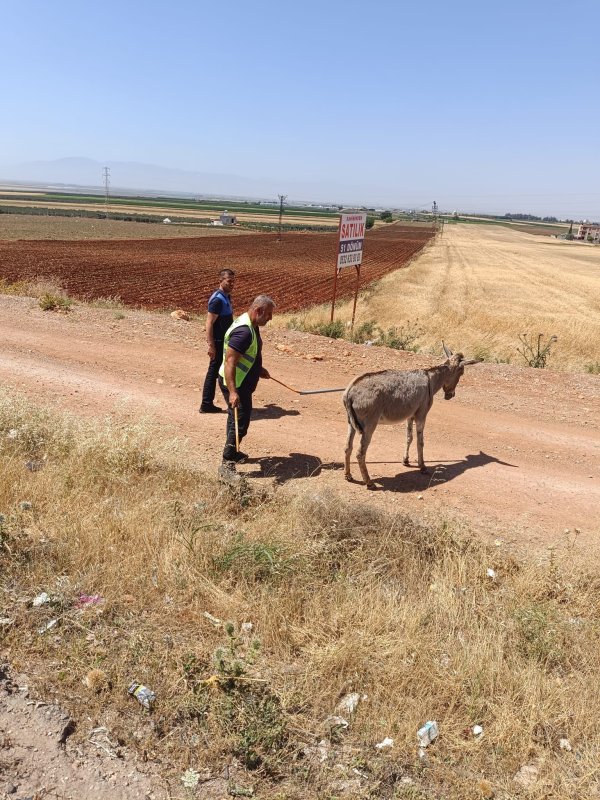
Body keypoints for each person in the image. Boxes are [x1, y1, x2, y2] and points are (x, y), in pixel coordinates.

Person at [218, 295, 275, 464]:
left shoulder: (251, 323)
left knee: (236, 419)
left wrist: (258, 369)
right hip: (237, 384)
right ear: (258, 311)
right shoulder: (244, 332)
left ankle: (232, 451)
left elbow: (247, 354)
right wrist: (233, 392)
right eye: (269, 314)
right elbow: (230, 362)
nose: (270, 318)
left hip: (240, 382)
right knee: (239, 422)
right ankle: (228, 460)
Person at [200, 269, 235, 413]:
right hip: (218, 341)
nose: (232, 284)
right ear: (221, 281)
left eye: (233, 281)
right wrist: (211, 345)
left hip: (224, 341)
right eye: (229, 281)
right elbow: (209, 323)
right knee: (214, 371)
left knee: (217, 371)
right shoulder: (217, 299)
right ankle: (206, 404)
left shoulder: (226, 297)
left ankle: (208, 403)